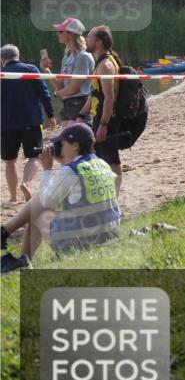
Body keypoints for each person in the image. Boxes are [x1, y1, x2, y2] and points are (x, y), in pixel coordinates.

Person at [1, 122, 120, 274]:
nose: (60, 148)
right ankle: (5, 234)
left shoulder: (71, 171)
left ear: (75, 145)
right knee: (44, 205)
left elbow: (45, 201)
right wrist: (64, 162)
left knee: (38, 214)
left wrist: (47, 169)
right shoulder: (102, 164)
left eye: (62, 144)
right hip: (109, 235)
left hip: (80, 242)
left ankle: (22, 258)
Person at [1, 45, 57, 203]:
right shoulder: (31, 69)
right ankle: (26, 183)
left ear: (2, 59)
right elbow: (45, 94)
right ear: (17, 56)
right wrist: (51, 115)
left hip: (6, 124)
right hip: (31, 122)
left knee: (10, 161)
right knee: (33, 157)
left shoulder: (1, 74)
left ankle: (12, 197)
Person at [79, 26, 126, 196]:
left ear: (98, 42)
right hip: (98, 117)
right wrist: (81, 115)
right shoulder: (100, 63)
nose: (85, 39)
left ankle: (114, 196)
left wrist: (104, 125)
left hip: (107, 118)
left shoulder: (106, 65)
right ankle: (107, 193)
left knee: (111, 160)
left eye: (89, 37)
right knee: (100, 157)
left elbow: (109, 97)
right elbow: (95, 93)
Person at [41, 17, 95, 127]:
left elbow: (74, 88)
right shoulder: (67, 57)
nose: (58, 34)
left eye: (61, 31)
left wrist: (57, 94)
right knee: (65, 140)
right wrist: (47, 71)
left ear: (70, 34)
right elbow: (60, 86)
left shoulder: (82, 56)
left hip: (79, 103)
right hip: (68, 103)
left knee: (73, 140)